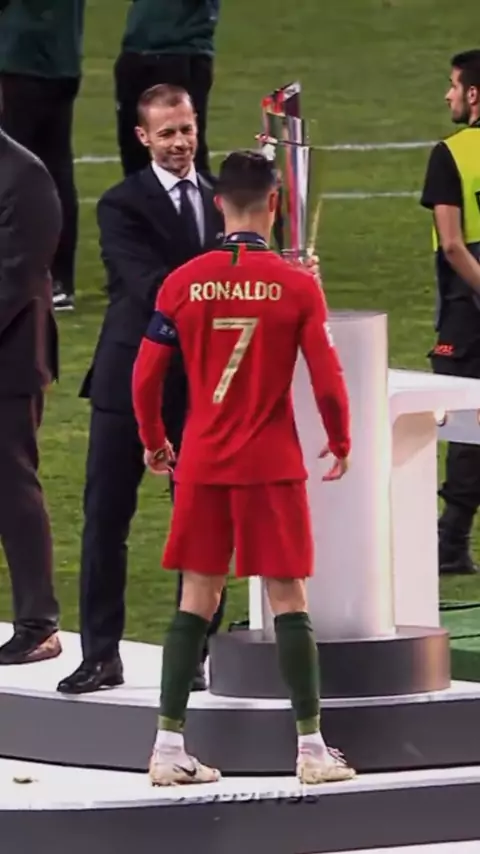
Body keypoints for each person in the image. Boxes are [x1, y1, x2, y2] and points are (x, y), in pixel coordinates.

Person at [132, 149, 356, 786]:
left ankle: (167, 748)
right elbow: (328, 377)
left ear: (216, 204)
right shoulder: (296, 285)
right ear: (275, 205)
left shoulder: (183, 282)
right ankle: (311, 749)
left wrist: (155, 440)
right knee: (288, 597)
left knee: (197, 598)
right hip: (270, 464)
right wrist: (340, 438)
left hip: (203, 462)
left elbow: (145, 376)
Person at [57, 83, 226, 696]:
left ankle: (197, 655)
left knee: (201, 523)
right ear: (143, 137)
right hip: (128, 380)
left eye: (187, 129)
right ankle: (101, 655)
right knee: (106, 519)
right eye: (167, 132)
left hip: (200, 387)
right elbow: (149, 284)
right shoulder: (120, 204)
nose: (180, 142)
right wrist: (225, 285)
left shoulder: (221, 199)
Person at [0, 128, 62, 665]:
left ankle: (38, 624)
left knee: (12, 487)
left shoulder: (24, 176)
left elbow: (16, 277)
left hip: (10, 359)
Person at [421, 49, 480, 575]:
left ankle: (450, 542)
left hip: (467, 309)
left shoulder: (450, 153)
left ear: (474, 95)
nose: (448, 95)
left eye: (453, 85)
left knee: (466, 426)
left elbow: (453, 244)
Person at [0, 0, 85, 311]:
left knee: (11, 171)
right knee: (58, 170)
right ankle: (60, 280)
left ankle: (17, 275)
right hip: (64, 59)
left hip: (22, 57)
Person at [114, 0, 219, 179]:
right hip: (136, 49)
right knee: (135, 152)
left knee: (181, 151)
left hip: (181, 49)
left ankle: (196, 198)